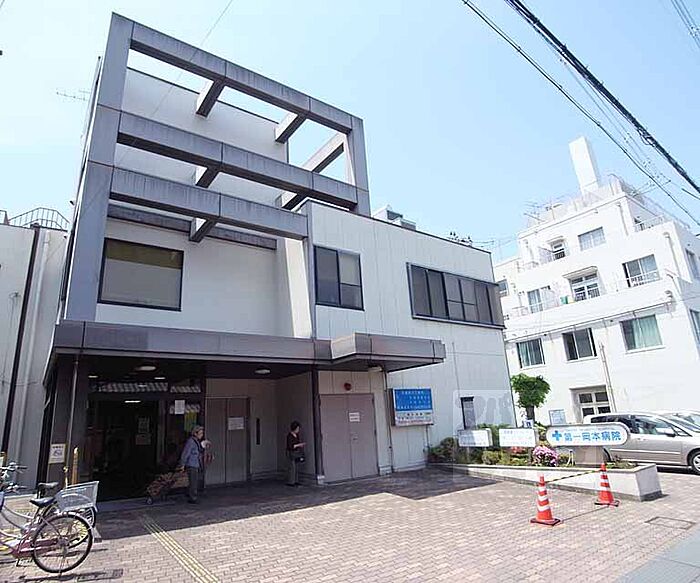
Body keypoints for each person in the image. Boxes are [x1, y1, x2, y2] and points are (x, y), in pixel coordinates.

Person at [178, 425, 205, 504]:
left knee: (194, 481)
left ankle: (191, 495)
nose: (201, 435)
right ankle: (193, 497)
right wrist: (182, 464)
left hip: (196, 464)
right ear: (195, 433)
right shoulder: (191, 442)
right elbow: (185, 453)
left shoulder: (196, 441)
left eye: (202, 433)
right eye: (200, 433)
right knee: (193, 482)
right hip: (192, 464)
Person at [285, 421, 305, 486]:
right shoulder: (289, 436)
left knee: (296, 467)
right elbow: (290, 446)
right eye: (297, 428)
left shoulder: (297, 435)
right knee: (292, 467)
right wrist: (299, 445)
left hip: (296, 452)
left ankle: (296, 481)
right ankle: (291, 482)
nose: (298, 430)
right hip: (291, 452)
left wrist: (299, 446)